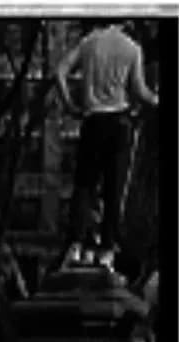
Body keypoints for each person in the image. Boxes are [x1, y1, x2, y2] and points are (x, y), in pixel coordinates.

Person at [54, 20, 160, 268]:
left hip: (92, 121)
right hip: (119, 123)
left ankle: (77, 243)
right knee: (114, 189)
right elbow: (140, 91)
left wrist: (70, 105)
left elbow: (60, 71)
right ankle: (107, 249)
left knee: (84, 185)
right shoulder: (132, 48)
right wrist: (156, 100)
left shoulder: (89, 42)